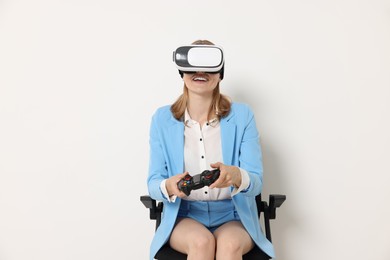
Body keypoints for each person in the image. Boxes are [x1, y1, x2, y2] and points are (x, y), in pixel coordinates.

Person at [147, 40, 274, 260]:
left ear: (220, 73)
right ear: (182, 72)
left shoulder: (242, 116)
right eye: (193, 67)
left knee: (230, 245)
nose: (200, 72)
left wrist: (237, 176)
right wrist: (168, 186)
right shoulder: (162, 119)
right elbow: (153, 182)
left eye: (208, 66)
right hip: (184, 215)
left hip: (234, 214)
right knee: (201, 242)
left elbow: (256, 181)